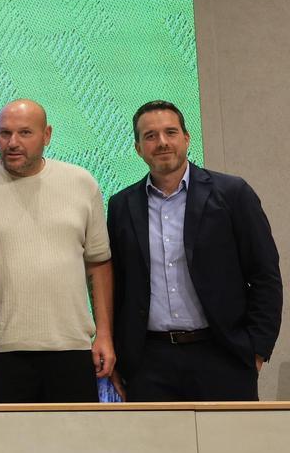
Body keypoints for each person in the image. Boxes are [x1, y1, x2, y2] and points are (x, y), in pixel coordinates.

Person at [107, 100, 281, 401]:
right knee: (158, 448)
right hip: (149, 362)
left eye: (170, 132)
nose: (161, 142)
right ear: (137, 148)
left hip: (222, 354)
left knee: (228, 447)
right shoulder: (122, 205)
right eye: (150, 136)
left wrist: (257, 349)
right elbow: (118, 285)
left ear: (186, 138)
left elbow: (265, 275)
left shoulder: (232, 194)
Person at [0, 99, 115, 403]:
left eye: (25, 133)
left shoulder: (82, 182)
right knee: (10, 449)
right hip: (1, 350)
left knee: (75, 447)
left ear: (47, 135)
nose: (13, 143)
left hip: (72, 346)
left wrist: (105, 335)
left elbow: (98, 264)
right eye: (4, 134)